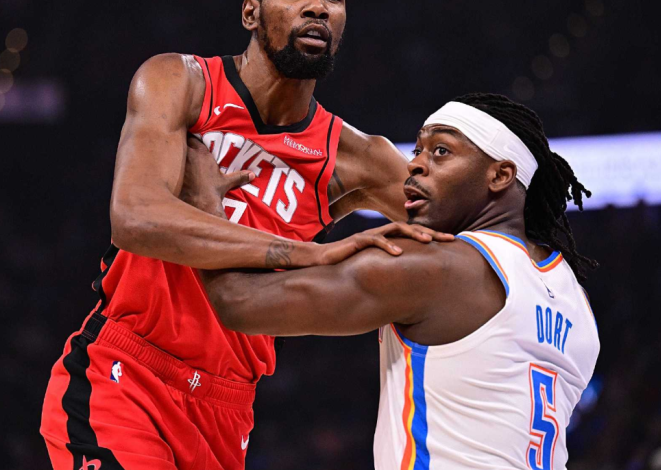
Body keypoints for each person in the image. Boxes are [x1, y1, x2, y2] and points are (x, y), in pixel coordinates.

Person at [40, 0, 453, 470]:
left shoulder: (357, 157)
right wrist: (307, 253)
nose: (317, 7)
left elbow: (466, 238)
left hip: (228, 409)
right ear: (250, 13)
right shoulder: (180, 82)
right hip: (126, 374)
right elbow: (135, 217)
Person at [191, 94, 601, 470]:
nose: (416, 165)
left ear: (500, 175)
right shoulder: (575, 299)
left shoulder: (436, 266)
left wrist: (205, 201)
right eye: (418, 150)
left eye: (441, 151)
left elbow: (238, 302)